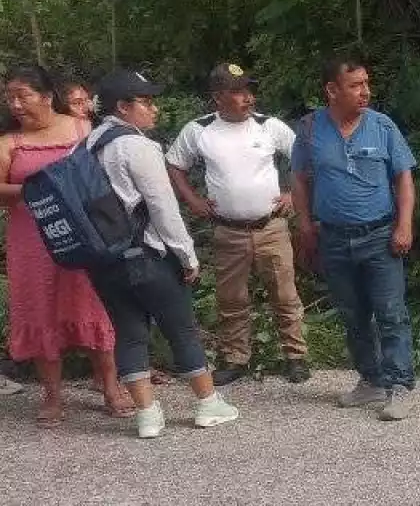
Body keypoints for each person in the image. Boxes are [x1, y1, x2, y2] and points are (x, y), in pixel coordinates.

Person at [86, 69, 239, 438]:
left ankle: (147, 415)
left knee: (129, 333)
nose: (154, 108)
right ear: (122, 107)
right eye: (146, 102)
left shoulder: (87, 145)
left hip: (104, 260)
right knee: (181, 329)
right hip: (147, 255)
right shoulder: (137, 146)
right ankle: (207, 404)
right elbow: (162, 207)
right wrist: (187, 256)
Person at [0, 63, 134, 426]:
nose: (15, 104)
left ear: (47, 97)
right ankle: (52, 396)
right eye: (10, 97)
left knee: (93, 304)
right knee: (39, 309)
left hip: (85, 234)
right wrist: (38, 189)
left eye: (23, 96)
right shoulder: (8, 142)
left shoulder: (82, 129)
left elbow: (106, 175)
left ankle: (110, 386)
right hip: (31, 240)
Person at [166, 63, 310, 385]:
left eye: (249, 90)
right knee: (231, 299)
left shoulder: (268, 126)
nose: (248, 98)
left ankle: (296, 356)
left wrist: (292, 195)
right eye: (238, 92)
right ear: (218, 97)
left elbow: (304, 159)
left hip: (271, 227)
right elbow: (174, 165)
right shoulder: (199, 130)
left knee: (285, 295)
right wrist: (193, 200)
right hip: (228, 230)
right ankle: (234, 359)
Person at [291, 55, 417, 421]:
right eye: (356, 85)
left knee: (391, 314)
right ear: (332, 90)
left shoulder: (382, 126)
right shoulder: (310, 129)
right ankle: (371, 380)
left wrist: (404, 225)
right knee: (353, 315)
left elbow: (404, 179)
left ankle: (399, 385)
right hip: (333, 238)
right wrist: (304, 225)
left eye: (366, 83)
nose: (365, 91)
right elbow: (298, 178)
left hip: (379, 236)